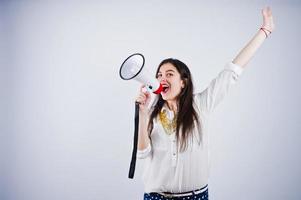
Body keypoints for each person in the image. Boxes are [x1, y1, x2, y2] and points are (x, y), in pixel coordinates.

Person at [135, 7, 275, 200]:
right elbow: (142, 154)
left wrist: (265, 31)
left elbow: (232, 71)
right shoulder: (151, 113)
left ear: (183, 82)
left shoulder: (200, 104)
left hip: (195, 196)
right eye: (159, 75)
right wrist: (142, 114)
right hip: (155, 196)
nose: (161, 79)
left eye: (169, 74)